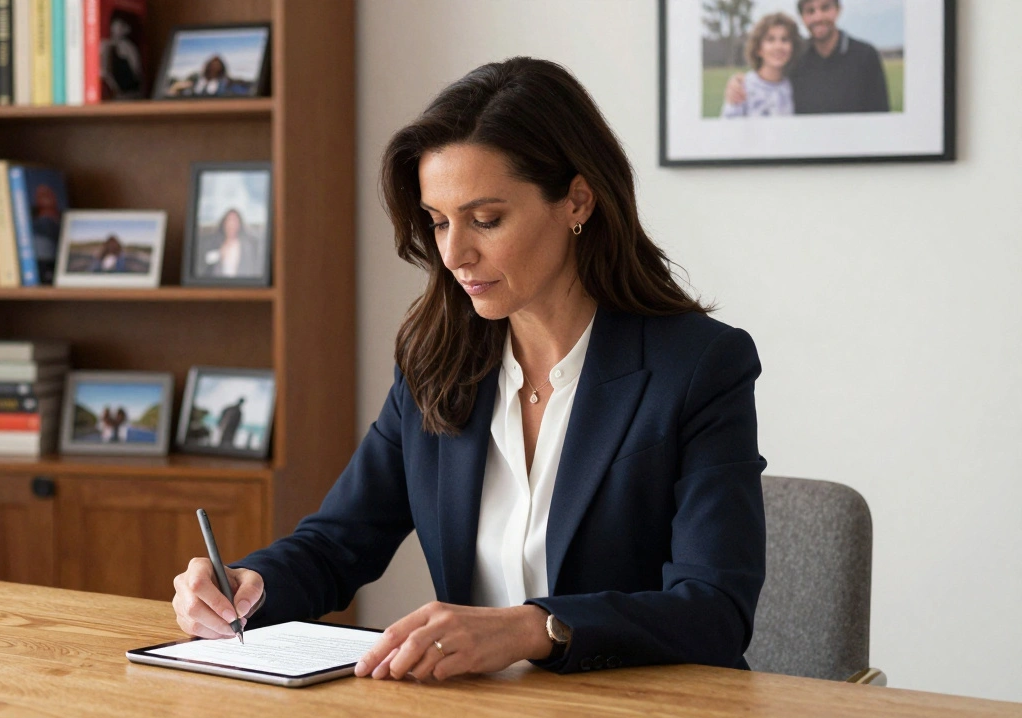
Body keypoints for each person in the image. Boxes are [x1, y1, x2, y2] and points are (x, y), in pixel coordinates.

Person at [171, 57, 765, 681]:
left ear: (577, 201)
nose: (454, 254)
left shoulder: (699, 367)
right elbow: (337, 543)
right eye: (438, 222)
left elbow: (715, 611)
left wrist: (536, 627)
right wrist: (247, 583)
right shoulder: (436, 361)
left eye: (486, 220)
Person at [725, 0, 889, 115]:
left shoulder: (865, 55)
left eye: (825, 7)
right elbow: (768, 77)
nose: (818, 17)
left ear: (838, 10)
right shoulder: (797, 57)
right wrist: (738, 82)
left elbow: (882, 115)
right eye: (810, 11)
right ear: (802, 17)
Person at [721, 12, 800, 118]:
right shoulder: (742, 87)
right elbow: (727, 128)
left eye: (784, 39)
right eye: (770, 39)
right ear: (758, 49)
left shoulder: (793, 86)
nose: (778, 46)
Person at [196, 208, 264, 278]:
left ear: (239, 224)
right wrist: (219, 254)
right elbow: (202, 264)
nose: (231, 225)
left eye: (235, 221)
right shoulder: (213, 243)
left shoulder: (250, 245)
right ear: (224, 224)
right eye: (229, 221)